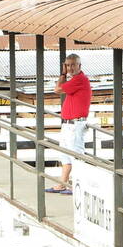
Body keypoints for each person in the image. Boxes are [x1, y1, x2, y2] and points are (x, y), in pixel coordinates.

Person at [50, 54, 91, 194]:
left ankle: (79, 185)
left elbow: (57, 89)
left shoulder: (80, 79)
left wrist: (62, 75)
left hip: (75, 124)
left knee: (76, 155)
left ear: (79, 65)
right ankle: (63, 183)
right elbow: (60, 88)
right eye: (68, 65)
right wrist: (63, 74)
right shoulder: (74, 80)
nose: (70, 68)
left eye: (73, 65)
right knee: (65, 155)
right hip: (68, 123)